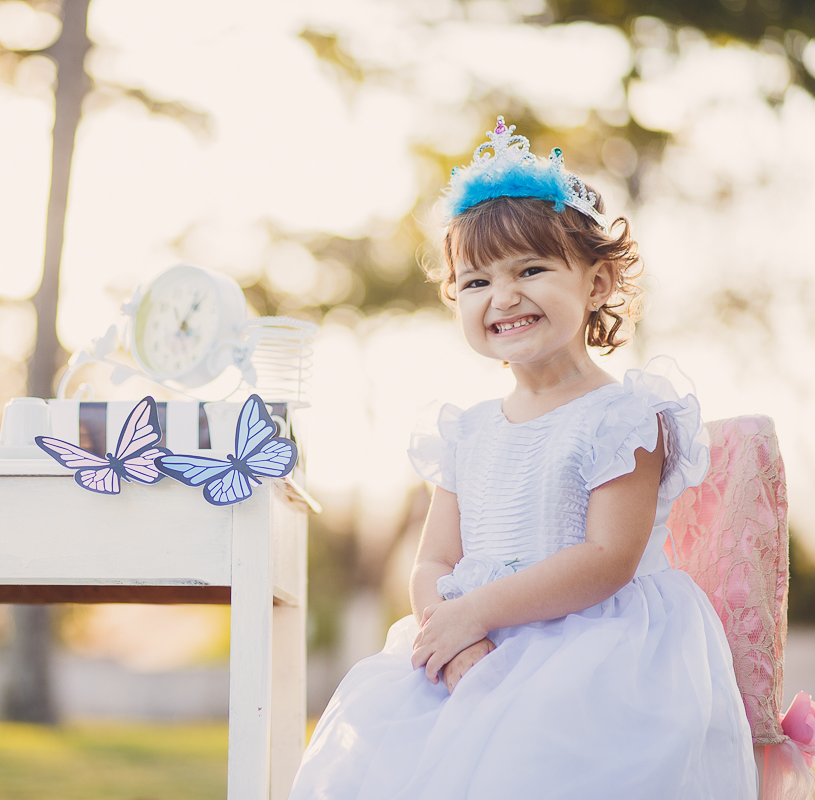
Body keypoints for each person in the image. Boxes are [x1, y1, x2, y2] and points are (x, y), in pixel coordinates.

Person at [287, 118, 757, 799]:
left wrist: (477, 614)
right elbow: (433, 562)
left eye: (531, 270)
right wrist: (445, 634)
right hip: (467, 644)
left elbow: (606, 559)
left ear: (596, 284)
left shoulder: (623, 417)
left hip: (592, 651)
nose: (502, 296)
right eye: (475, 281)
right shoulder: (467, 432)